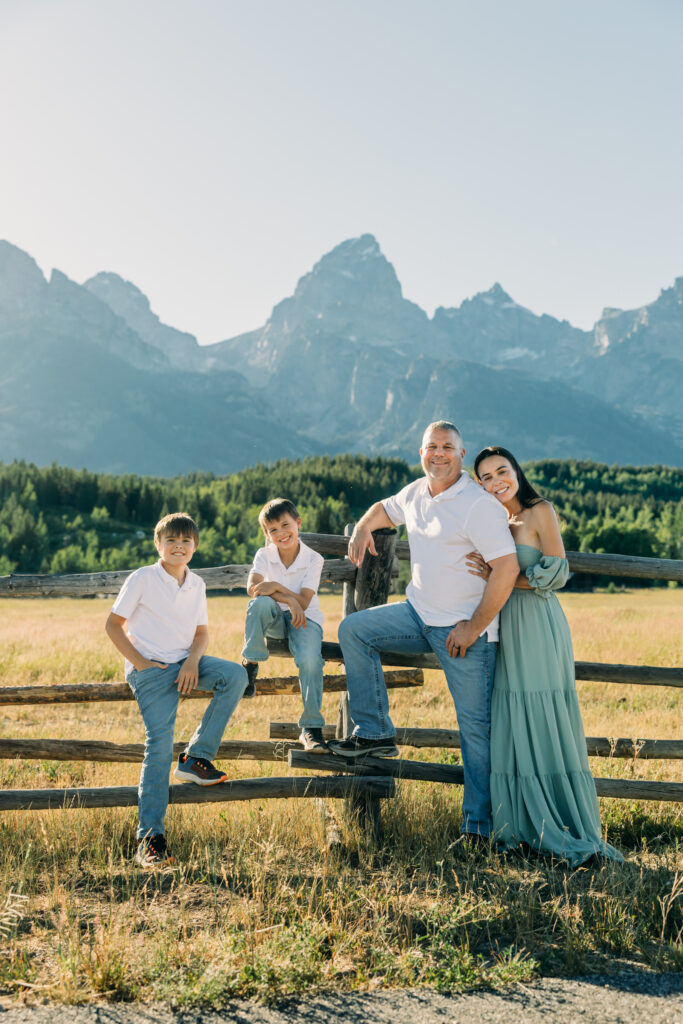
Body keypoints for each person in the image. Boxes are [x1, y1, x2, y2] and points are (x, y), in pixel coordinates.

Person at [329, 422, 519, 842]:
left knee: (475, 729)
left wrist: (473, 627)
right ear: (421, 452)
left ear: (461, 454)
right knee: (354, 631)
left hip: (464, 631)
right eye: (431, 446)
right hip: (417, 615)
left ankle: (478, 828)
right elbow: (384, 508)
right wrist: (362, 527)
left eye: (447, 447)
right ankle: (376, 732)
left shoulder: (477, 504)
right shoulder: (416, 492)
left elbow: (507, 567)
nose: (439, 453)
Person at [469, 446, 622, 864]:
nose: (497, 480)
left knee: (541, 712)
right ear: (479, 484)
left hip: (537, 623)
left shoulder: (540, 512)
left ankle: (560, 822)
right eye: (486, 476)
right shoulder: (495, 520)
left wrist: (501, 576)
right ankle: (519, 826)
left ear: (516, 471)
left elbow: (556, 571)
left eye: (503, 471)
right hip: (504, 626)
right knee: (511, 717)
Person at [105, 512, 248, 868]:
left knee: (235, 676)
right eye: (171, 541)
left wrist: (191, 662)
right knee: (159, 744)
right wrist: (141, 663)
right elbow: (112, 626)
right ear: (159, 545)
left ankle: (196, 758)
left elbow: (201, 634)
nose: (178, 546)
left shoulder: (196, 584)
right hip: (150, 669)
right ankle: (149, 839)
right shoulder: (143, 578)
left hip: (186, 665)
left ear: (194, 547)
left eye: (186, 541)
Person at [241, 498, 327, 752]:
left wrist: (277, 588)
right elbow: (253, 589)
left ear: (298, 523)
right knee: (259, 605)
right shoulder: (264, 555)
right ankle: (250, 663)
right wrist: (288, 598)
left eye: (285, 525)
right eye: (273, 530)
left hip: (305, 619)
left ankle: (311, 727)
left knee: (311, 660)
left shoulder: (313, 559)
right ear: (267, 534)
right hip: (276, 618)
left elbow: (304, 601)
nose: (281, 533)